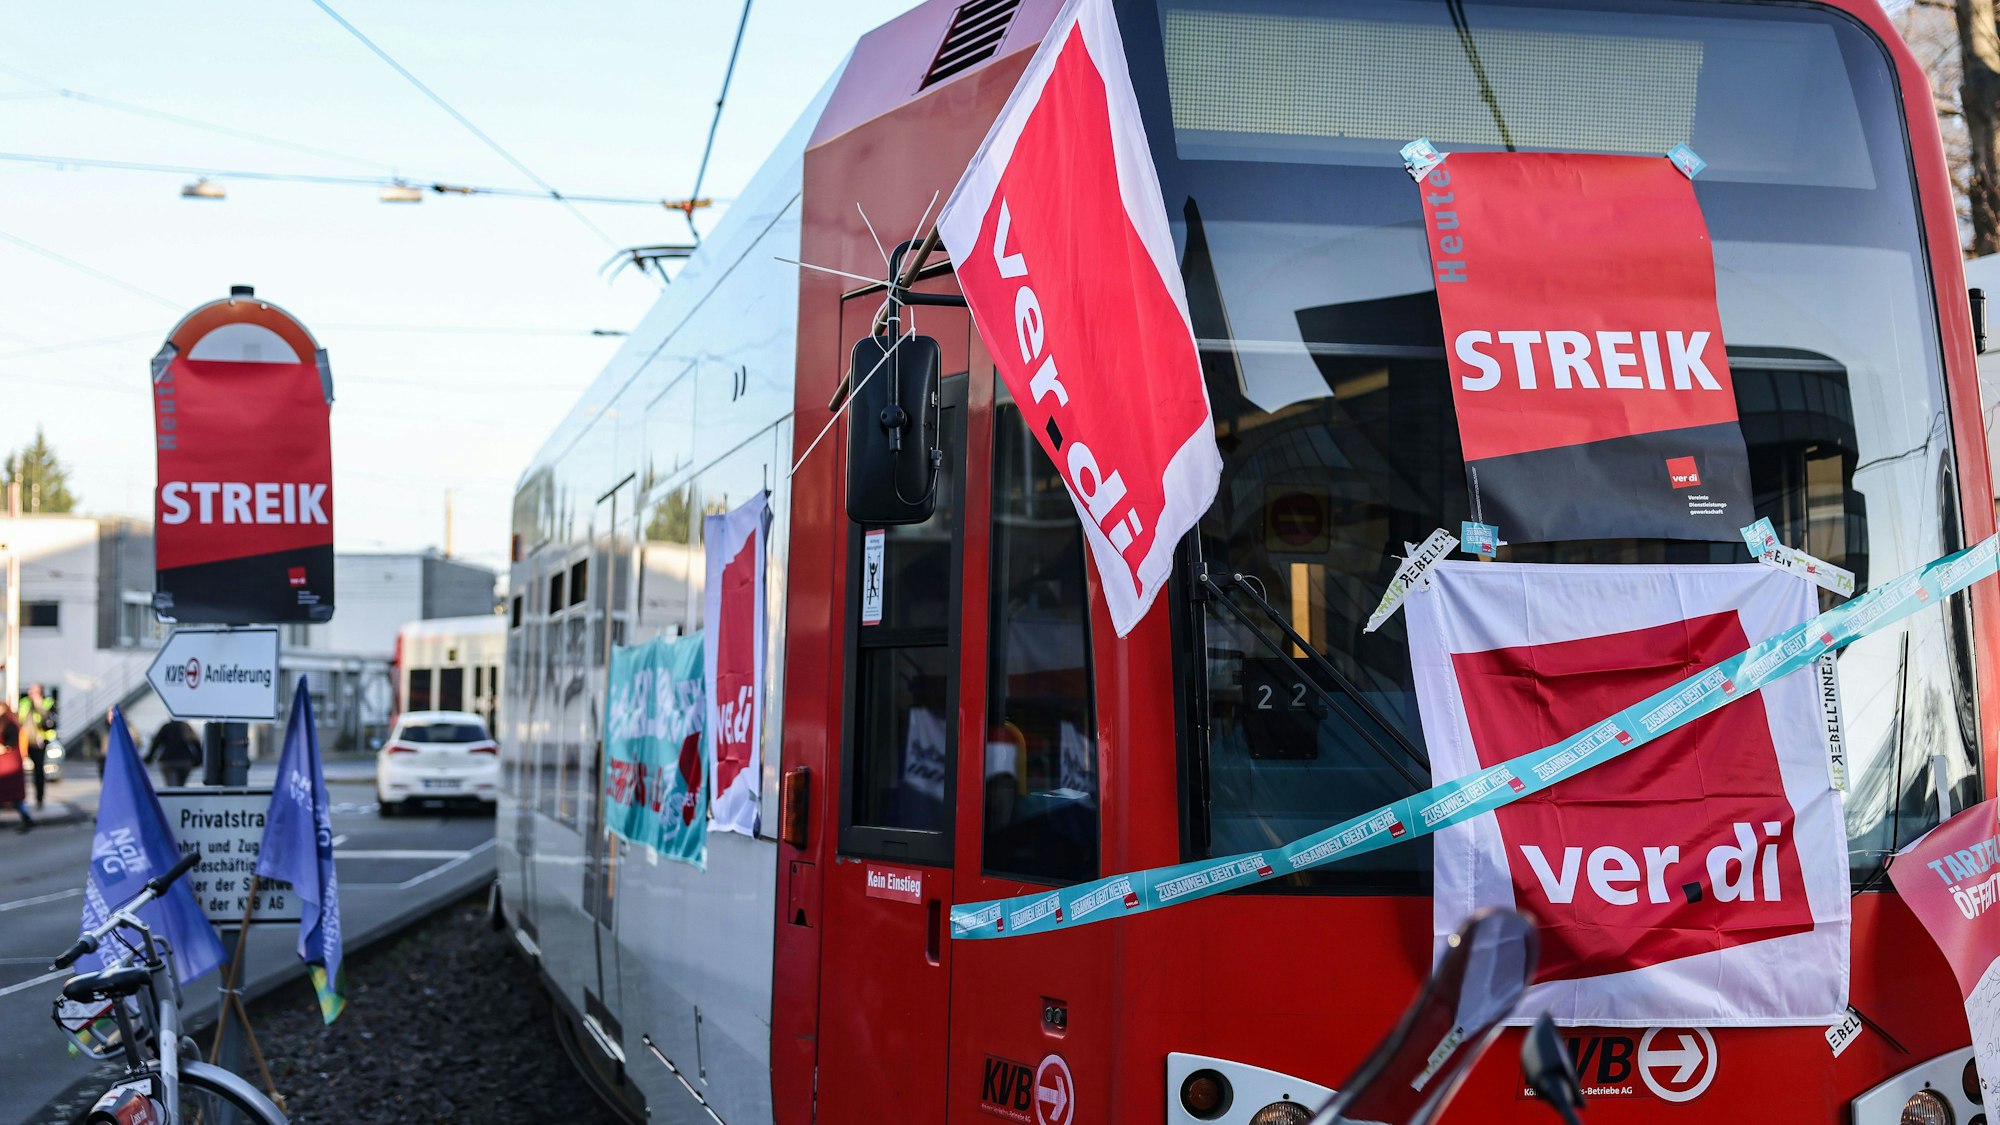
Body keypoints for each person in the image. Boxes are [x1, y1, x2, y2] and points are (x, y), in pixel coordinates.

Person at [17, 683, 51, 810]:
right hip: (23, 742)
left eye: (34, 691)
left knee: (38, 772)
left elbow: (47, 721)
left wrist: (38, 705)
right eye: (31, 691)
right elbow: (19, 719)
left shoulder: (47, 702)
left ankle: (39, 799)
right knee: (17, 771)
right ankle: (18, 799)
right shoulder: (24, 702)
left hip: (38, 742)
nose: (31, 693)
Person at [0, 704, 31, 832]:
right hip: (5, 765)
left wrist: (4, 748)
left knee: (14, 795)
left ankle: (27, 818)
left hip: (9, 765)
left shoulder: (9, 723)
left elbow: (11, 742)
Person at [147, 719, 202, 788]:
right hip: (185, 761)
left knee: (172, 786)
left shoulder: (166, 727)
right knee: (180, 786)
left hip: (168, 761)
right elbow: (196, 743)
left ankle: (174, 797)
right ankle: (179, 797)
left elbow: (156, 743)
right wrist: (199, 760)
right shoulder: (185, 727)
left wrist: (149, 757)